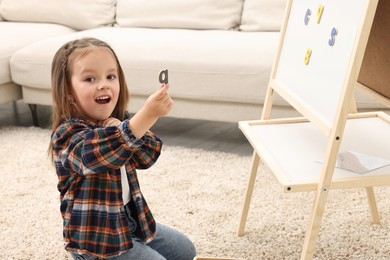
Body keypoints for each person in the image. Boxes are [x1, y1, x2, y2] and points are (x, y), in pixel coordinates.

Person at [49, 37, 196, 259]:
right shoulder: (67, 134)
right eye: (90, 78)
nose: (103, 84)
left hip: (128, 220)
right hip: (97, 241)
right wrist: (144, 116)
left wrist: (130, 127)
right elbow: (94, 156)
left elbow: (148, 157)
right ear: (68, 92)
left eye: (111, 76)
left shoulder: (119, 123)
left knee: (185, 251)